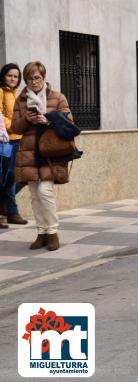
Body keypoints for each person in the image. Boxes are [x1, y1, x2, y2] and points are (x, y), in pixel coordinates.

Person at [12, 61, 72, 251]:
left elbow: (69, 123)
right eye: (29, 78)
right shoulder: (21, 100)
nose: (33, 82)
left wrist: (48, 119)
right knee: (34, 195)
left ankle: (52, 232)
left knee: (45, 192)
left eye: (36, 77)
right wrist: (26, 119)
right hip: (29, 151)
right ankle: (41, 233)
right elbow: (14, 127)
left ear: (43, 77)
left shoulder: (57, 97)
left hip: (50, 151)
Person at [0, 63, 28, 228]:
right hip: (4, 140)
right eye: (10, 75)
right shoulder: (1, 92)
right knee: (7, 177)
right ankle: (12, 211)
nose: (13, 78)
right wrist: (17, 125)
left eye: (16, 76)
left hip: (18, 139)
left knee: (20, 177)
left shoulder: (17, 95)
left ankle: (5, 206)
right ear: (4, 76)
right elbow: (1, 117)